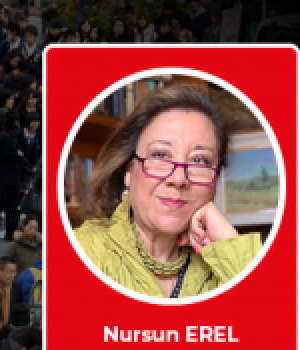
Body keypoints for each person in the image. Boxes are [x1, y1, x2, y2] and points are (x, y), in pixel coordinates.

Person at [73, 84, 260, 298]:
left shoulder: (226, 264)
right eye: (161, 155)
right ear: (127, 170)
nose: (179, 179)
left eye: (199, 160)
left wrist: (231, 247)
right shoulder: (80, 251)